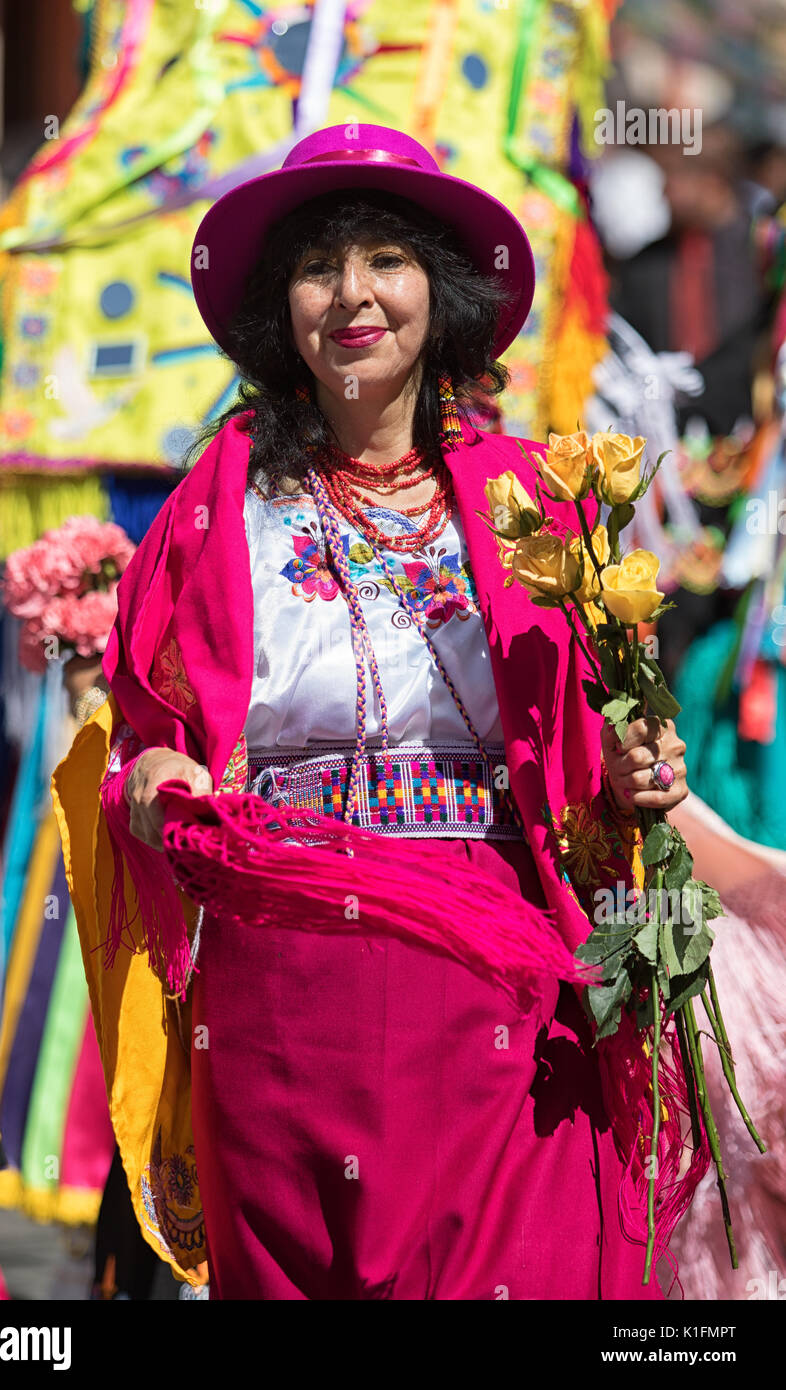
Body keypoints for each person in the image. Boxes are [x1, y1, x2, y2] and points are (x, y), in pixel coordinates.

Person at [52, 123, 697, 1301]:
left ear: (436, 293)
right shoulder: (218, 507)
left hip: (492, 996)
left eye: (385, 259)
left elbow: (580, 741)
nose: (351, 294)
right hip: (280, 998)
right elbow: (155, 733)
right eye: (316, 265)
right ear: (278, 308)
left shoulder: (529, 504)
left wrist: (629, 763)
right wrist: (150, 778)